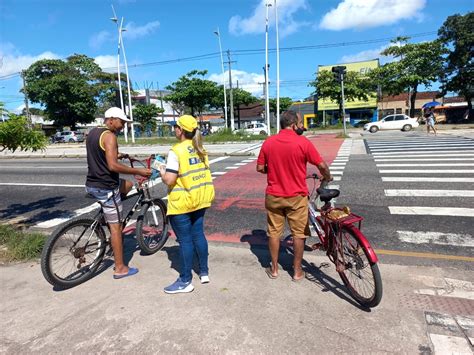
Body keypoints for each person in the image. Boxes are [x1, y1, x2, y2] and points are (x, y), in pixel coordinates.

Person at [257, 110, 332, 281]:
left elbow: (260, 168)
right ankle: (297, 271)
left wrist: (273, 169)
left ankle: (274, 269)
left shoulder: (269, 142)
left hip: (274, 196)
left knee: (274, 232)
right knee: (299, 233)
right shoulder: (302, 142)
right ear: (292, 124)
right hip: (296, 196)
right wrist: (327, 176)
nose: (301, 127)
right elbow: (321, 165)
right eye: (299, 124)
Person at [85, 107, 152, 279]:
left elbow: (101, 153)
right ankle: (120, 268)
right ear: (111, 119)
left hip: (92, 183)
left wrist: (117, 153)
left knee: (128, 184)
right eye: (122, 122)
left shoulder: (93, 133)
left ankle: (109, 214)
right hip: (106, 186)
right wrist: (138, 171)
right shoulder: (110, 136)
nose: (123, 126)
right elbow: (112, 166)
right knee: (117, 228)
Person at [159, 115, 215, 294]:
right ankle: (204, 272)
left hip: (182, 202)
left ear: (180, 130)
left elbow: (170, 180)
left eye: (175, 126)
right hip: (200, 198)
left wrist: (161, 171)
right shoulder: (200, 148)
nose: (174, 129)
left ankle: (185, 280)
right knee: (198, 234)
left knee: (185, 241)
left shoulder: (177, 150)